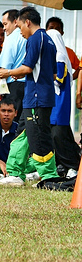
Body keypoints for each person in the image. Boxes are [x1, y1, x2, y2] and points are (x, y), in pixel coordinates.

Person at [0, 6, 59, 187]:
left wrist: (8, 72)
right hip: (39, 95)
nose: (19, 32)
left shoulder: (34, 38)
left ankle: (49, 176)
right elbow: (51, 72)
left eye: (19, 26)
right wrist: (21, 73)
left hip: (37, 96)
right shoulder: (49, 40)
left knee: (38, 135)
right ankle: (15, 172)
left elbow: (28, 67)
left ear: (27, 22)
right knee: (24, 132)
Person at [46, 29, 81, 179]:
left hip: (57, 103)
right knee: (60, 135)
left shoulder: (59, 57)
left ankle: (72, 165)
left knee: (58, 136)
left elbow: (58, 79)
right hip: (57, 103)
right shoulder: (60, 56)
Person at [0, 9, 26, 121]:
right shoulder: (29, 37)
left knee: (12, 122)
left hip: (14, 85)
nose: (4, 28)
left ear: (15, 22)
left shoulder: (12, 38)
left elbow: (3, 68)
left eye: (5, 24)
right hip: (27, 85)